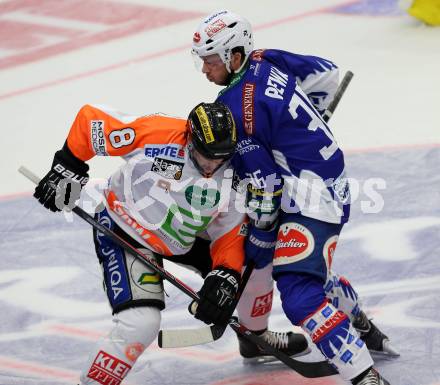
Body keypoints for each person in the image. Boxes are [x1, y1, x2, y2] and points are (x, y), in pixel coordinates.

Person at [33, 101, 309, 385]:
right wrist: (68, 165)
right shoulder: (157, 134)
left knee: (254, 270)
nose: (212, 166)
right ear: (190, 138)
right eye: (206, 156)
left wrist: (225, 274)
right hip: (126, 228)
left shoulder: (234, 170)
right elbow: (92, 122)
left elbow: (230, 232)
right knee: (140, 324)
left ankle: (255, 337)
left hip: (183, 237)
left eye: (221, 158)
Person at [191, 10, 399, 385]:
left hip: (309, 198)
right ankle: (359, 324)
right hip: (326, 178)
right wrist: (304, 125)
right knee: (309, 271)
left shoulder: (235, 110)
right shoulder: (264, 58)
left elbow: (267, 191)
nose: (204, 70)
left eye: (209, 60)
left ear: (233, 56)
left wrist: (257, 244)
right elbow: (326, 75)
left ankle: (366, 377)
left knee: (300, 294)